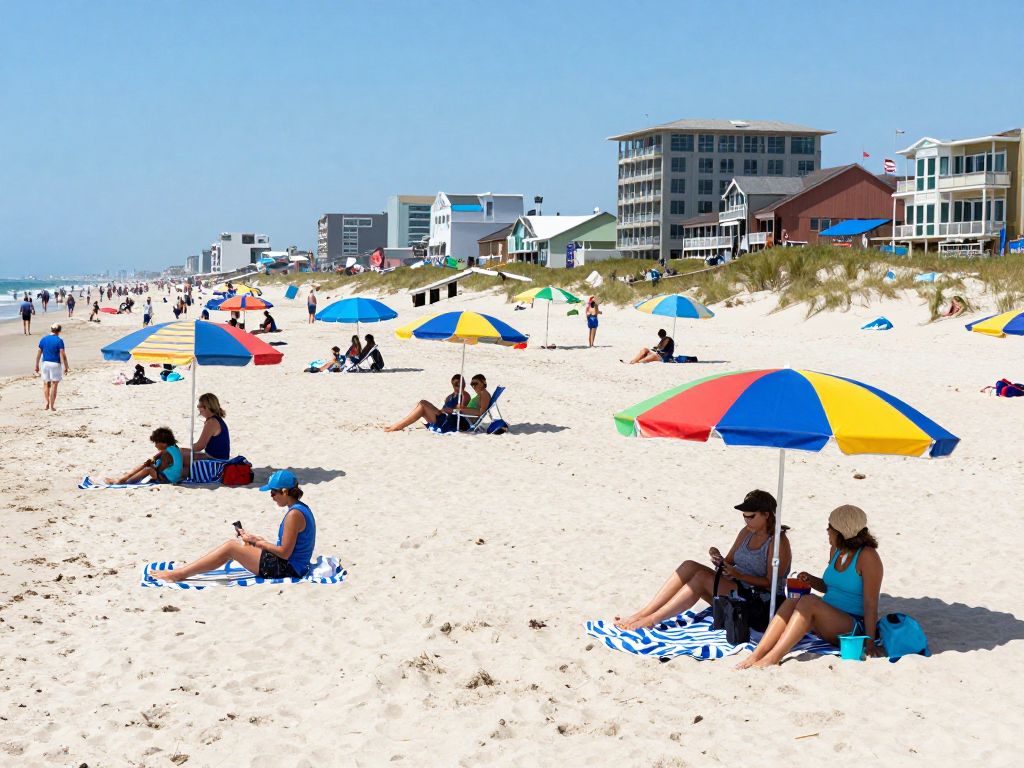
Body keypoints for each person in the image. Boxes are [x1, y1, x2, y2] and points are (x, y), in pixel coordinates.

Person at [615, 490, 791, 631]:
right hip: (735, 587)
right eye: (744, 515)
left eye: (751, 516)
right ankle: (642, 614)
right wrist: (717, 557)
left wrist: (738, 575)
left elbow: (770, 583)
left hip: (760, 601)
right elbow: (729, 560)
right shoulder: (746, 532)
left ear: (766, 515)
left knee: (700, 578)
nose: (746, 520)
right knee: (689, 565)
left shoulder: (778, 542)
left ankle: (651, 621)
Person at [736, 505, 883, 669]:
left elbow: (871, 603)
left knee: (808, 602)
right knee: (794, 600)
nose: (827, 530)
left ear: (842, 531)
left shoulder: (868, 556)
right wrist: (811, 580)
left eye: (830, 527)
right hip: (827, 620)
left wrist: (869, 644)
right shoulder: (836, 549)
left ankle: (773, 657)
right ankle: (757, 654)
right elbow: (830, 588)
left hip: (852, 627)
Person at [146, 469, 316, 583]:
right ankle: (182, 572)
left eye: (273, 493)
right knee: (247, 543)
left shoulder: (294, 515)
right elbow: (288, 548)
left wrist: (259, 543)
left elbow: (285, 553)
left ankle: (179, 574)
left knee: (230, 547)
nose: (271, 497)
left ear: (285, 492)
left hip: (289, 569)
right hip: (294, 565)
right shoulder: (301, 509)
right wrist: (255, 540)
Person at [384, 373, 489, 432]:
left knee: (423, 405)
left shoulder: (484, 394)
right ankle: (397, 426)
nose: (473, 386)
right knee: (422, 404)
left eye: (476, 383)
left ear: (483, 382)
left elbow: (480, 412)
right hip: (455, 419)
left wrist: (458, 409)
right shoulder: (479, 395)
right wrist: (457, 409)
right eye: (472, 383)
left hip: (458, 423)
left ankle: (397, 427)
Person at [105, 427, 183, 485]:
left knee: (147, 469)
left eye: (156, 443)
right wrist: (151, 461)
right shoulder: (173, 447)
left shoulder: (167, 454)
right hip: (172, 477)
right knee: (147, 465)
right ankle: (123, 479)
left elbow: (160, 470)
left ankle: (125, 482)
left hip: (168, 479)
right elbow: (157, 457)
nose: (155, 445)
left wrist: (151, 466)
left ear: (164, 443)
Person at [180, 393, 231, 466]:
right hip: (219, 459)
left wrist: (185, 449)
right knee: (181, 454)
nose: (198, 408)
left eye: (199, 406)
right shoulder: (217, 420)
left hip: (216, 462)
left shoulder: (212, 422)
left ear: (207, 407)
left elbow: (200, 446)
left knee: (178, 458)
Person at [35, 323, 70, 411]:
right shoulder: (59, 340)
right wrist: (66, 366)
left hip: (45, 363)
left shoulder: (44, 339)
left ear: (51, 329)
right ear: (59, 331)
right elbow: (63, 354)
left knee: (46, 383)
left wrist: (36, 365)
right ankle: (52, 405)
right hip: (55, 364)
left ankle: (47, 402)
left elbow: (39, 352)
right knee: (54, 384)